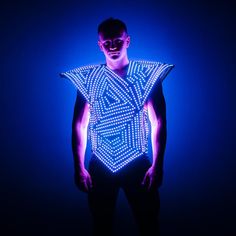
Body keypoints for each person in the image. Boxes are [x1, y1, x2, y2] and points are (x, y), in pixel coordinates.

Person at [60, 17, 174, 236]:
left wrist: (158, 164)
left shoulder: (146, 76)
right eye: (107, 42)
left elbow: (158, 121)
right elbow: (79, 124)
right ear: (99, 45)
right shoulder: (89, 79)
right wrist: (78, 166)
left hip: (137, 161)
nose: (112, 47)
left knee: (148, 222)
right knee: (102, 225)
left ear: (128, 41)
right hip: (100, 163)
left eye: (118, 41)